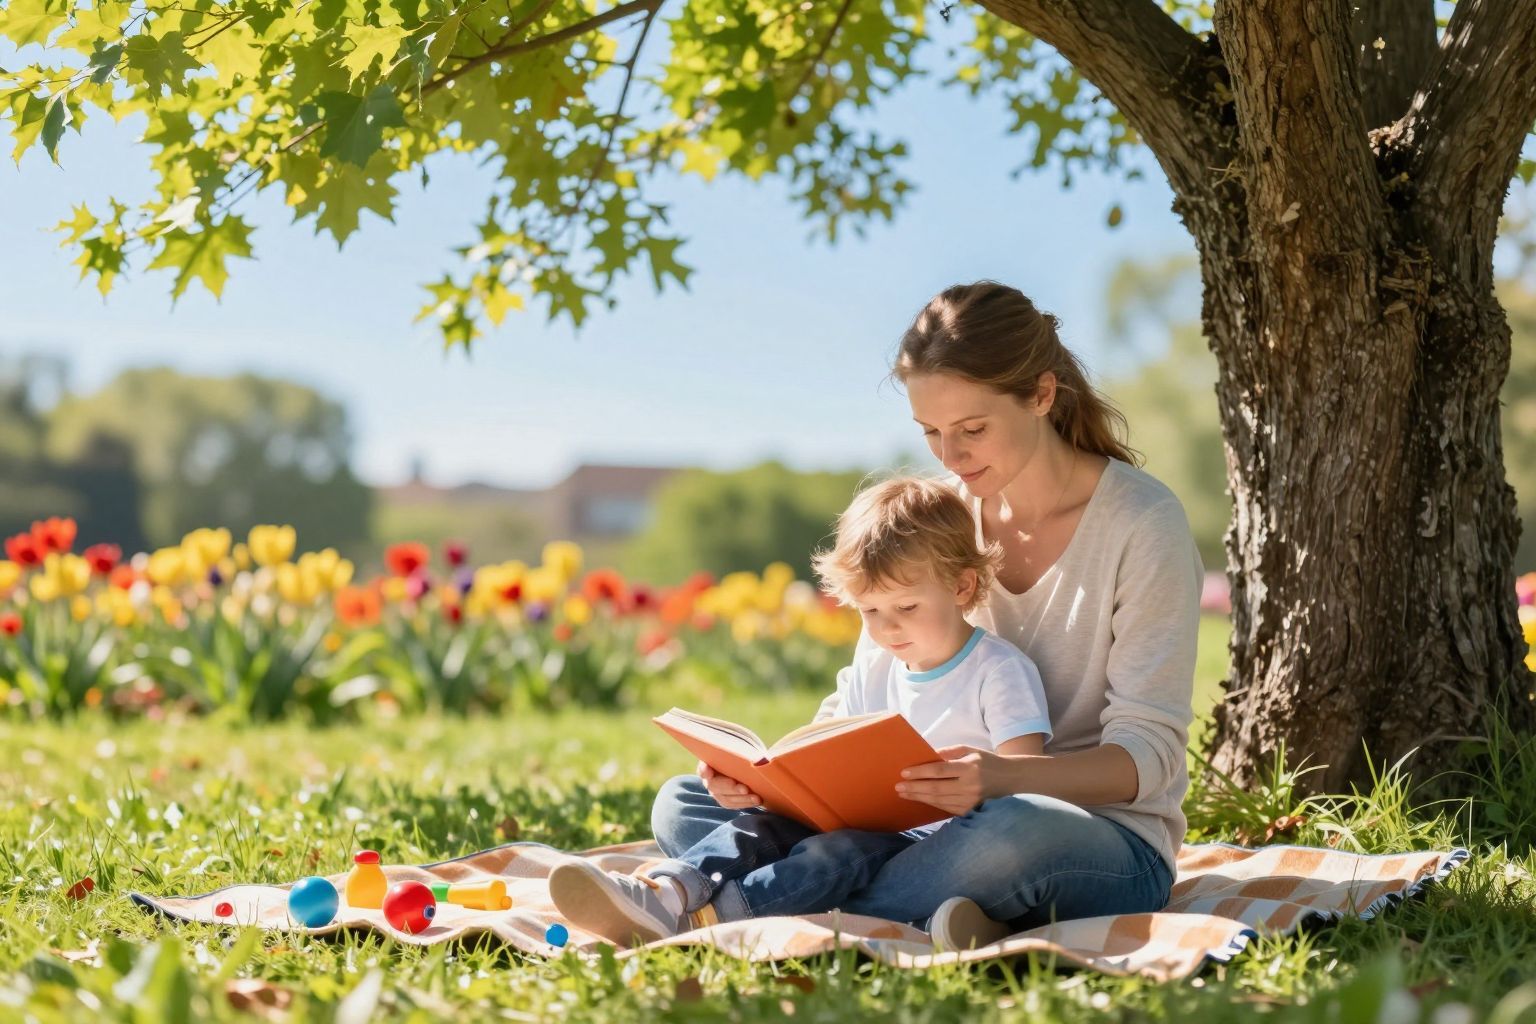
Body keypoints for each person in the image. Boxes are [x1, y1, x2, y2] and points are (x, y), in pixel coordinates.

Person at [650, 281, 1204, 950]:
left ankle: (787, 898)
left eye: (972, 430)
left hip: (1084, 836)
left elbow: (1147, 758)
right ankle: (926, 907)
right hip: (907, 831)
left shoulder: (1141, 523)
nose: (950, 456)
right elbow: (859, 704)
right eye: (931, 432)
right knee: (681, 803)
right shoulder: (931, 517)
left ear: (1041, 395)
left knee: (1011, 832)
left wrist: (1002, 778)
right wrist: (767, 782)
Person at [547, 477, 1052, 946]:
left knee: (835, 856)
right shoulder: (873, 666)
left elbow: (1025, 788)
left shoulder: (998, 670)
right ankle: (667, 892)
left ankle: (706, 918)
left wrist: (971, 785)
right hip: (849, 833)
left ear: (962, 587)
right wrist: (750, 783)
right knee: (697, 807)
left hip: (932, 850)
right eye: (870, 611)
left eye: (906, 608)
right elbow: (818, 756)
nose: (887, 628)